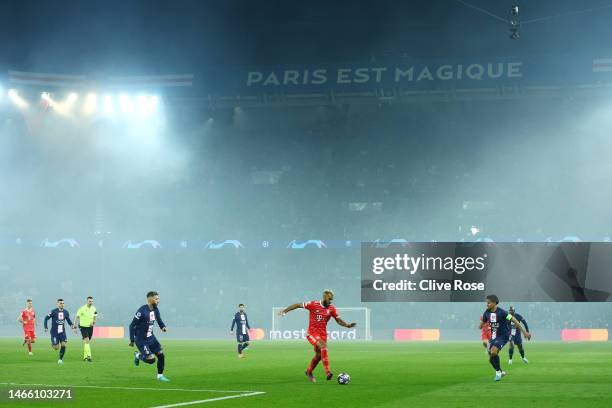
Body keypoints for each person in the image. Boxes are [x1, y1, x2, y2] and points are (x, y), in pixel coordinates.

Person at [279, 289, 356, 383]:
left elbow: (338, 320)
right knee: (323, 346)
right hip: (312, 333)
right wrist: (284, 311)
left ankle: (309, 372)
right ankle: (328, 372)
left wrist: (347, 325)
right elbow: (297, 305)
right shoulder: (313, 304)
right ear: (324, 297)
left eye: (331, 299)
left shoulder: (331, 309)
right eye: (329, 299)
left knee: (319, 355)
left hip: (323, 335)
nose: (330, 301)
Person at [480, 295, 531, 381]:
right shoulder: (486, 313)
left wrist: (524, 332)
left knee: (493, 351)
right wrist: (481, 325)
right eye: (486, 303)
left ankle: (498, 373)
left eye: (488, 303)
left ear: (494, 303)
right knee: (491, 359)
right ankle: (501, 372)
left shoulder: (502, 313)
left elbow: (514, 320)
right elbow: (483, 322)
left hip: (503, 336)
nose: (487, 304)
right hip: (494, 337)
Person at [129, 291, 169, 381]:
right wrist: (132, 340)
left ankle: (160, 376)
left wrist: (163, 327)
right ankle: (138, 356)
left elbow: (159, 320)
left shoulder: (156, 309)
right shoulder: (141, 310)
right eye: (156, 299)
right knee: (151, 360)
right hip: (141, 340)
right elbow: (131, 325)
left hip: (151, 338)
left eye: (158, 299)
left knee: (161, 355)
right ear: (150, 299)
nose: (158, 301)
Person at [44, 299, 77, 364]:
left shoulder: (66, 312)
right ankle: (53, 343)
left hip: (62, 331)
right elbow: (46, 318)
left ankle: (60, 359)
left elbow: (69, 321)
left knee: (63, 345)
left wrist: (73, 328)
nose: (62, 304)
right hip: (54, 332)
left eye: (63, 303)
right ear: (57, 304)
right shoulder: (53, 311)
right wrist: (46, 327)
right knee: (56, 348)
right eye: (60, 303)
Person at [75, 296, 98, 362]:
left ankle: (85, 357)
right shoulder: (82, 308)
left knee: (87, 342)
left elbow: (95, 315)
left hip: (90, 327)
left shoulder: (94, 308)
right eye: (89, 301)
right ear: (87, 301)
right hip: (83, 327)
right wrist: (75, 326)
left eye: (92, 301)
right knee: (87, 340)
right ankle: (89, 356)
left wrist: (93, 321)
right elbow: (77, 317)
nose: (91, 302)